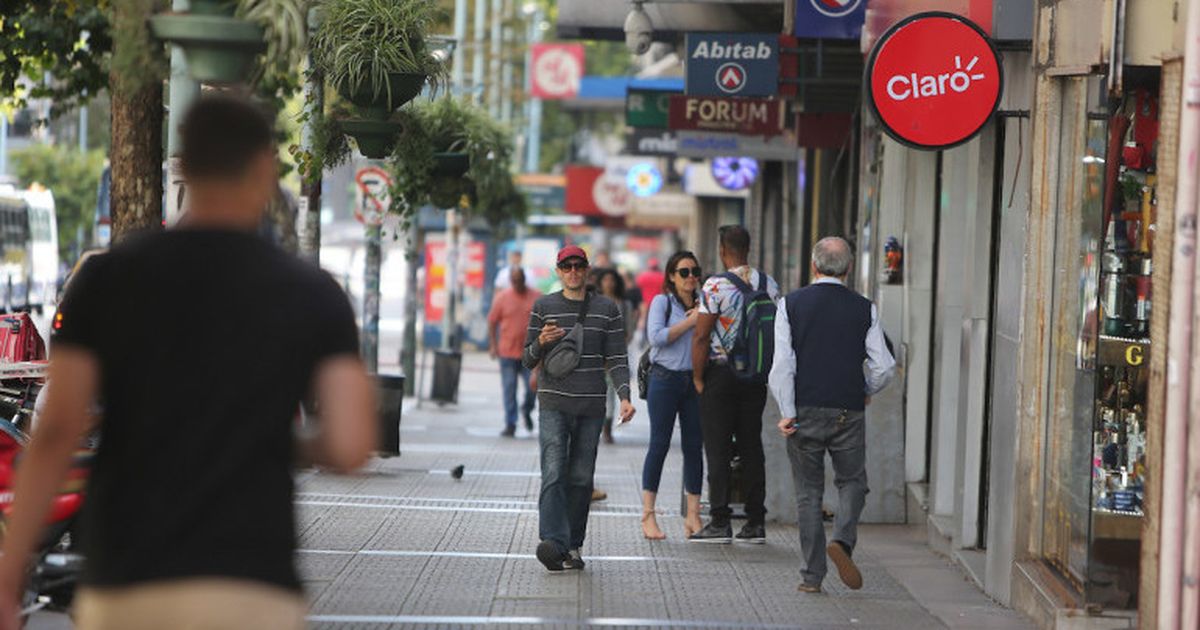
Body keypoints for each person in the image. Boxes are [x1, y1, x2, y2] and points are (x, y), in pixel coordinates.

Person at [0, 94, 377, 629]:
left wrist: (10, 574)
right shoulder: (313, 294)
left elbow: (58, 429)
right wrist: (265, 435)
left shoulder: (105, 283)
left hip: (126, 579)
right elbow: (351, 445)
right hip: (251, 585)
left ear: (185, 167)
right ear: (265, 168)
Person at [770, 237, 895, 593]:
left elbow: (782, 365)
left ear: (814, 266)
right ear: (850, 268)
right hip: (847, 410)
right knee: (853, 481)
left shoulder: (790, 304)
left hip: (804, 410)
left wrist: (787, 412)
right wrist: (865, 390)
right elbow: (884, 366)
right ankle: (842, 539)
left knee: (808, 493)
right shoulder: (864, 307)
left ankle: (811, 577)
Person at [523, 246, 634, 572]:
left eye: (578, 265)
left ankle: (572, 546)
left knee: (581, 479)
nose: (573, 271)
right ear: (558, 271)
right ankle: (554, 542)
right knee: (554, 472)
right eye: (566, 266)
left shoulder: (608, 309)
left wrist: (625, 396)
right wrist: (541, 342)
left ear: (587, 270)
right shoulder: (544, 306)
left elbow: (616, 357)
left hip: (591, 406)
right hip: (553, 402)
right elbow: (527, 358)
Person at [690, 225, 779, 544]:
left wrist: (698, 377)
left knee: (717, 446)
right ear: (749, 248)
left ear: (723, 250)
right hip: (755, 375)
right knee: (751, 445)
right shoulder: (769, 284)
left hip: (721, 374)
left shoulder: (714, 286)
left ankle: (720, 519)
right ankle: (755, 521)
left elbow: (701, 336)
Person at [640, 251, 704, 540]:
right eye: (683, 272)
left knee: (694, 446)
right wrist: (691, 323)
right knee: (660, 444)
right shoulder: (662, 302)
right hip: (664, 380)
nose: (691, 277)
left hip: (694, 382)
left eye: (694, 271)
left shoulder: (705, 305)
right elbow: (656, 338)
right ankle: (648, 516)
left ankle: (693, 516)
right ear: (671, 276)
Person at [488, 267, 542, 437]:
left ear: (525, 279)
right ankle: (510, 423)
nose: (518, 283)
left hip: (530, 353)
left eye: (520, 279)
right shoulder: (502, 297)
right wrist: (493, 345)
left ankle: (526, 410)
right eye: (514, 280)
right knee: (509, 388)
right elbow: (492, 321)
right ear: (511, 281)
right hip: (507, 352)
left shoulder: (537, 297)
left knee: (532, 388)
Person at [596, 268, 633, 444]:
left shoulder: (624, 305)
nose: (609, 283)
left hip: (614, 359)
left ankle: (607, 429)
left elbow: (628, 332)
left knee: (611, 394)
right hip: (594, 358)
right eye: (606, 280)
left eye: (612, 280)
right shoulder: (593, 303)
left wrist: (615, 353)